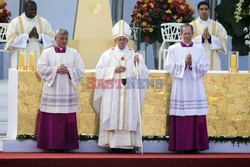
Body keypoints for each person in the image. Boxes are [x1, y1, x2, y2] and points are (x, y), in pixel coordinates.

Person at [93, 20, 149, 153]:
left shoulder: (135, 55)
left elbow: (143, 74)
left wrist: (137, 65)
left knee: (128, 114)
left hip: (129, 93)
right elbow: (99, 72)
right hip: (112, 92)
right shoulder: (108, 54)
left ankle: (129, 145)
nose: (122, 42)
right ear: (115, 40)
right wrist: (113, 70)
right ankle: (112, 144)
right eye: (119, 39)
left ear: (127, 40)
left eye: (124, 39)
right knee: (113, 114)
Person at [36, 28, 85, 152]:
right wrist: (55, 70)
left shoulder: (74, 53)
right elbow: (40, 68)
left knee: (66, 118)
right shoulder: (47, 53)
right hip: (52, 90)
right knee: (52, 119)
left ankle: (66, 145)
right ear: (55, 39)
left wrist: (69, 70)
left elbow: (80, 70)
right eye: (61, 38)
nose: (64, 41)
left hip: (67, 91)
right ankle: (50, 145)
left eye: (66, 39)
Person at [164, 24, 210, 153]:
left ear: (193, 34)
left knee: (195, 113)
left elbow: (205, 66)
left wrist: (192, 64)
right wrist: (184, 63)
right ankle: (180, 146)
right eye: (184, 33)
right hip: (180, 87)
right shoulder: (173, 49)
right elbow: (168, 66)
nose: (187, 36)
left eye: (189, 33)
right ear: (181, 34)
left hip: (195, 87)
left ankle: (196, 145)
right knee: (181, 115)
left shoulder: (199, 49)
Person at [5, 0, 54, 69]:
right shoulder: (15, 22)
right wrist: (28, 37)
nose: (33, 11)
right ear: (25, 9)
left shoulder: (43, 22)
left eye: (35, 9)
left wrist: (39, 37)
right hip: (20, 59)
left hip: (38, 59)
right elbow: (10, 41)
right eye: (31, 9)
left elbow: (52, 40)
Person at [190, 1, 227, 70]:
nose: (204, 11)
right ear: (198, 11)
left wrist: (210, 38)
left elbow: (223, 41)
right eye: (201, 9)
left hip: (213, 62)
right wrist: (201, 38)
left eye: (206, 9)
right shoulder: (191, 26)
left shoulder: (217, 26)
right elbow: (187, 43)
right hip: (196, 61)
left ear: (209, 10)